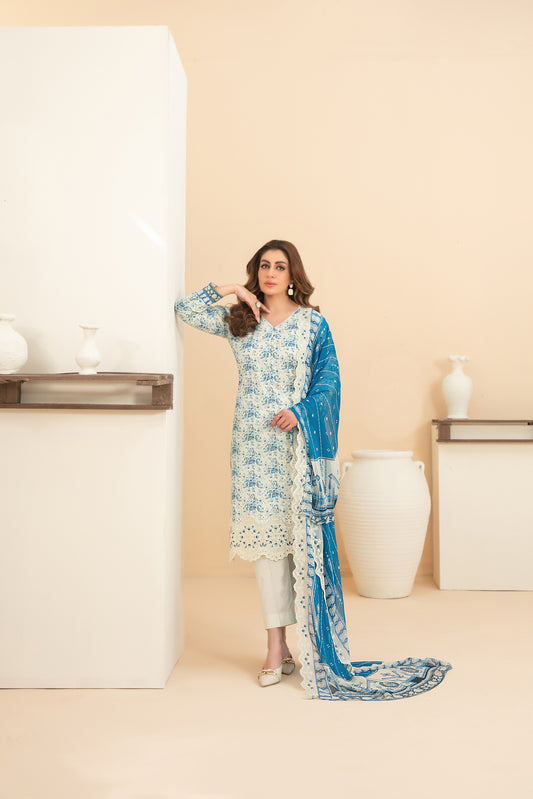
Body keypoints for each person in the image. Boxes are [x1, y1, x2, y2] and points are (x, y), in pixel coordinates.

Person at [175, 239, 451, 700]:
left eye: (280, 267)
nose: (270, 273)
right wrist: (231, 290)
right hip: (252, 449)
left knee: (298, 545)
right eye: (264, 266)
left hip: (297, 447)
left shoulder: (312, 325)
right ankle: (275, 645)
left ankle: (299, 645)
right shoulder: (240, 320)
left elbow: (329, 384)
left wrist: (301, 413)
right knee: (267, 550)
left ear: (293, 275)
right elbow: (184, 309)